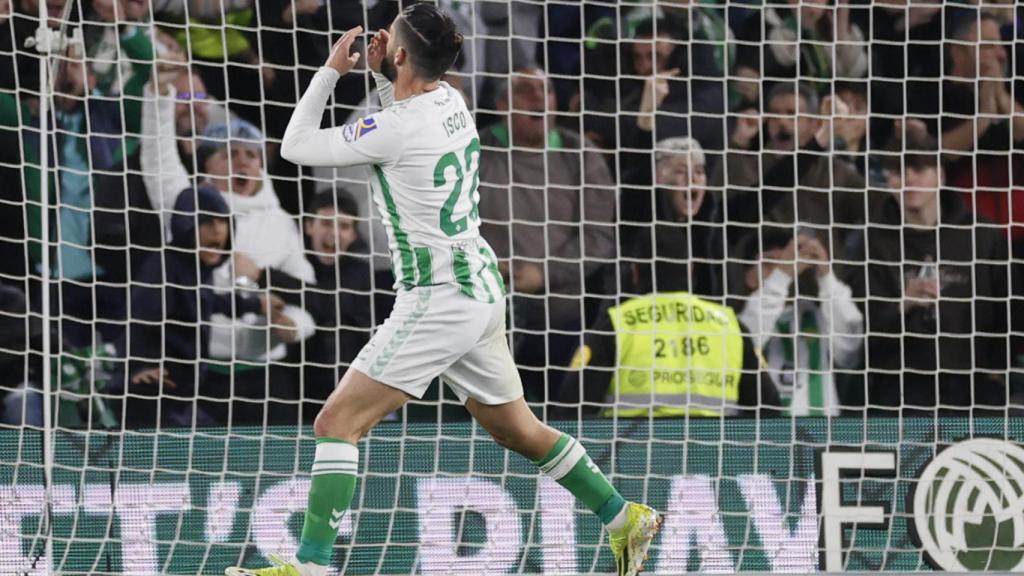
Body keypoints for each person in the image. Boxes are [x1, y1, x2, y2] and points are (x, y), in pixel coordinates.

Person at [225, 6, 661, 576]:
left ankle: (309, 566)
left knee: (337, 424)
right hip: (479, 284)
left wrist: (334, 70)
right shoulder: (451, 100)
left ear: (401, 54)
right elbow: (402, 108)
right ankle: (622, 515)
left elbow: (295, 145)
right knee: (518, 429)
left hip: (438, 295)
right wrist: (384, 74)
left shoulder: (399, 124)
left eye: (392, 43)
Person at [477, 67, 618, 402]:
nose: (539, 98)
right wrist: (487, 265)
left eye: (547, 90)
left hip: (564, 321)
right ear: (501, 104)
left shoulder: (580, 154)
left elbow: (598, 237)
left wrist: (543, 273)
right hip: (487, 320)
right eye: (526, 90)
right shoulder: (475, 151)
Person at [848, 139, 1009, 414]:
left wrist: (997, 369)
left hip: (974, 384)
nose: (908, 178)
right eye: (898, 171)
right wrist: (903, 304)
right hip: (899, 387)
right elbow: (858, 325)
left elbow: (1005, 307)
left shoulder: (981, 233)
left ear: (940, 175)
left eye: (918, 169)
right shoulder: (871, 240)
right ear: (887, 181)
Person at [557, 233, 779, 419]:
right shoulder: (730, 325)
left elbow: (571, 407)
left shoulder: (617, 323)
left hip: (632, 461)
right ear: (690, 269)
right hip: (713, 460)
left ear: (635, 271)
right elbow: (768, 408)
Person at [114, 184, 280, 428]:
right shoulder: (164, 266)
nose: (217, 231)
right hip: (153, 394)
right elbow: (137, 319)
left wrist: (256, 304)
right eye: (208, 222)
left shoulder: (197, 270)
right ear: (187, 225)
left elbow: (208, 301)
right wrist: (138, 367)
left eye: (223, 222)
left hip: (181, 395)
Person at [735, 228, 864, 416]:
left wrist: (826, 277)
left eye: (789, 262)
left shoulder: (816, 314)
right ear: (749, 276)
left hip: (822, 434)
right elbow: (750, 339)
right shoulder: (736, 320)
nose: (785, 268)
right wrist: (782, 275)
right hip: (764, 435)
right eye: (771, 263)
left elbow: (850, 351)